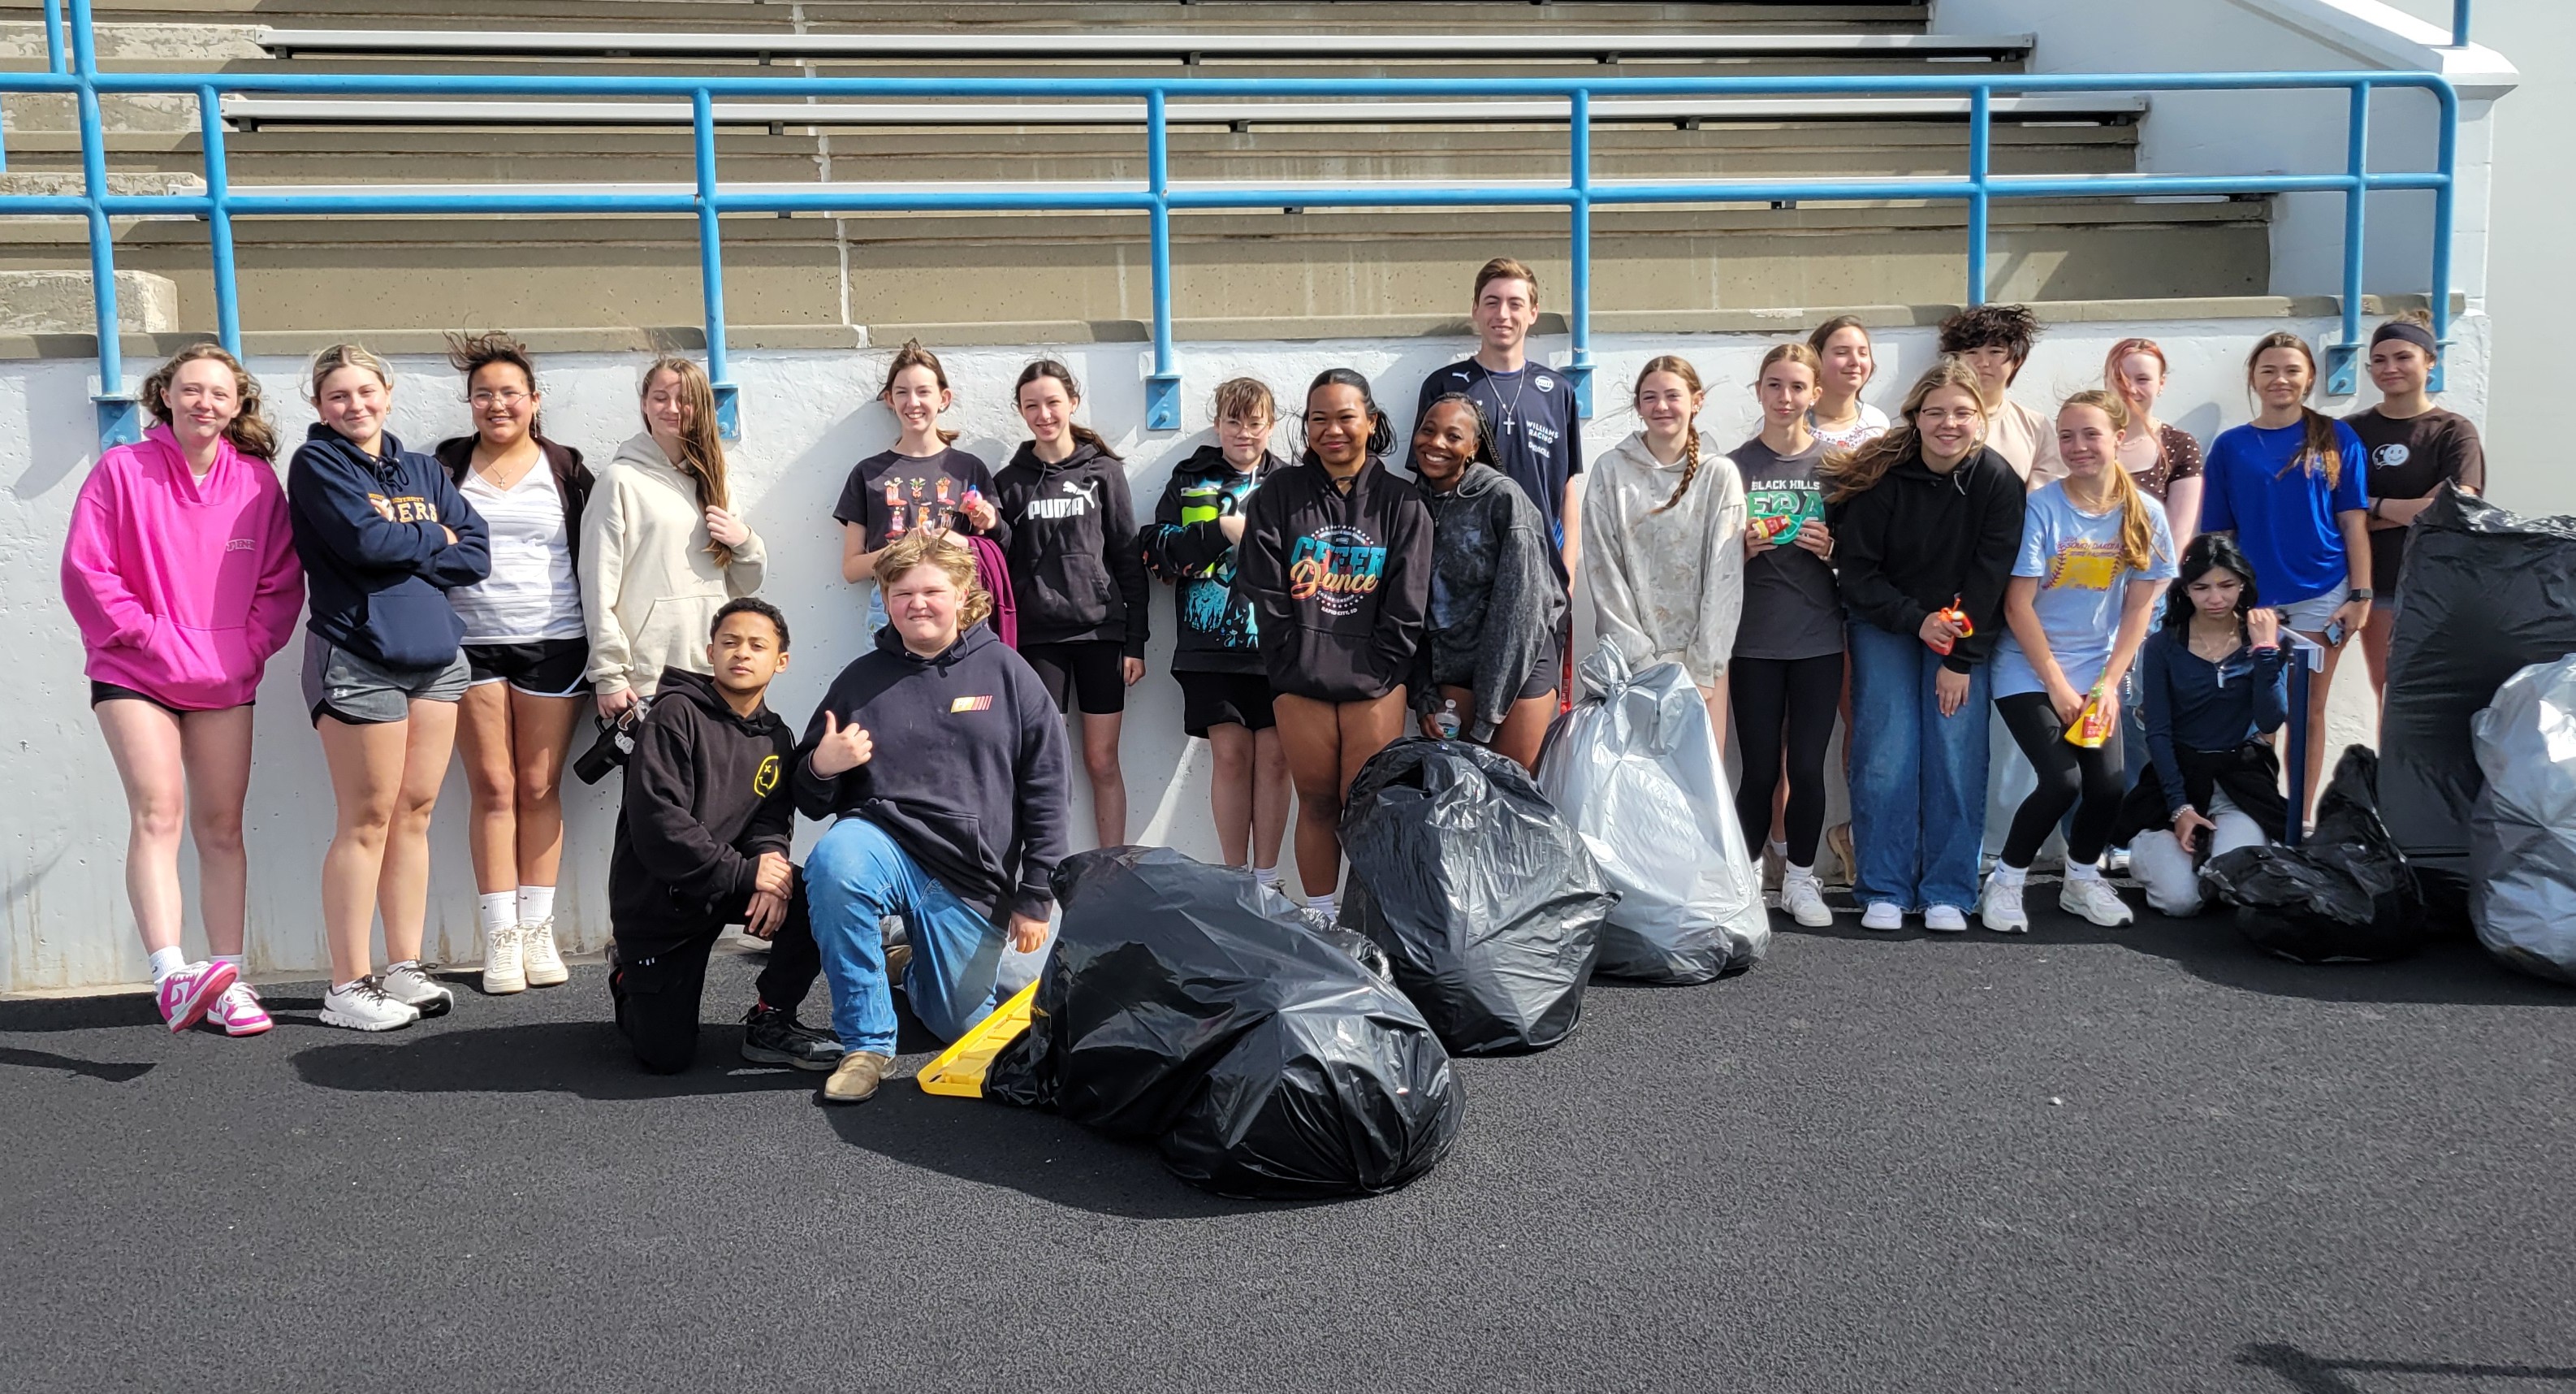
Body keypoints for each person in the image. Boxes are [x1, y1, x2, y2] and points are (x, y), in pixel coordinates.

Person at [61, 344, 300, 1034]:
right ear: (165, 395)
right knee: (158, 814)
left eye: (219, 393)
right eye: (191, 389)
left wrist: (243, 650)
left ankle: (227, 982)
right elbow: (88, 571)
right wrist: (151, 637)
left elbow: (280, 584)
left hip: (224, 676)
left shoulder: (257, 482)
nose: (205, 403)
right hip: (134, 671)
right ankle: (171, 975)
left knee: (221, 827)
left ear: (237, 404)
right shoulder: (121, 470)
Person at [794, 535, 1072, 1105]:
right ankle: (866, 1045)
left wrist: (1036, 894)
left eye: (932, 591)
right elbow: (809, 797)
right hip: (884, 845)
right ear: (886, 600)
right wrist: (822, 766)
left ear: (963, 594)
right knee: (834, 862)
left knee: (964, 1025)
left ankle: (908, 963)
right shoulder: (859, 681)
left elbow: (1048, 790)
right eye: (902, 593)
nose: (917, 604)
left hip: (971, 880)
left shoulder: (1009, 674)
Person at [289, 344, 491, 1031]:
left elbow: (477, 553)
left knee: (414, 812)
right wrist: (433, 535)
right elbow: (363, 544)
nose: (355, 405)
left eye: (365, 392)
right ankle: (347, 985)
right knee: (367, 818)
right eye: (339, 396)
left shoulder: (424, 470)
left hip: (435, 658)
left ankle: (404, 965)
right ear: (320, 406)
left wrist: (409, 539)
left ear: (388, 393)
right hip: (359, 657)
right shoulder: (316, 464)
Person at [1826, 356, 2025, 933]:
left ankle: (1948, 889)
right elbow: (1858, 573)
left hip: (1962, 633)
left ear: (1980, 417)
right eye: (1935, 412)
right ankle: (1884, 887)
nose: (1948, 424)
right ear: (1915, 417)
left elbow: (1991, 579)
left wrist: (1960, 659)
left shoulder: (1996, 481)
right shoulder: (1882, 478)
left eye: (1961, 412)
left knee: (1955, 755)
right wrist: (1916, 621)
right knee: (1886, 752)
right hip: (1887, 623)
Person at [606, 600, 841, 1075]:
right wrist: (748, 874)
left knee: (817, 895)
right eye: (730, 643)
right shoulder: (673, 715)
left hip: (727, 885)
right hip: (660, 902)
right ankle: (627, 977)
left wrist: (770, 872)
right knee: (666, 1058)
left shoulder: (777, 737)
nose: (742, 653)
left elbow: (770, 819)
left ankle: (772, 1018)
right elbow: (661, 824)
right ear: (711, 652)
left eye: (757, 645)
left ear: (781, 660)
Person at [1237, 368, 1433, 927]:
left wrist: (1380, 668)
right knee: (1318, 801)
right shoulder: (1279, 495)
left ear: (1371, 422)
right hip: (1301, 681)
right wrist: (1291, 656)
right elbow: (1262, 584)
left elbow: (1409, 599)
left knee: (1367, 805)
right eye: (1319, 419)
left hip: (1376, 683)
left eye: (1346, 417)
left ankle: (1369, 926)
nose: (1333, 430)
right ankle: (1322, 921)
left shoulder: (1402, 502)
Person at [1977, 391, 2178, 933]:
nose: (2078, 446)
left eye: (2091, 434)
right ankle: (2006, 880)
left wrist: (2108, 684)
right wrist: (2058, 686)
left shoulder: (2146, 514)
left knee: (2108, 787)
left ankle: (2081, 880)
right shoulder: (2041, 507)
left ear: (2118, 438)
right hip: (2028, 667)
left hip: (2097, 672)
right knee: (2061, 781)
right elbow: (2017, 605)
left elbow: (2139, 609)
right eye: (2066, 436)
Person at [434, 331, 590, 996]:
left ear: (534, 399)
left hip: (556, 640)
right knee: (493, 788)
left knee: (538, 786)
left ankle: (537, 930)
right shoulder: (443, 468)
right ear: (469, 402)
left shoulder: (566, 468)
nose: (497, 405)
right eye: (483, 394)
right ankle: (500, 936)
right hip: (469, 644)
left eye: (510, 393)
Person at [2198, 331, 2371, 818]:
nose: (2280, 379)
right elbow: (2220, 534)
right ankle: (2261, 818)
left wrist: (2360, 594)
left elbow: (2353, 523)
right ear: (2253, 378)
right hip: (2255, 601)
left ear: (2309, 378)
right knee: (2260, 713)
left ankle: (2300, 820)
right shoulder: (2231, 446)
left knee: (2308, 710)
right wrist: (2221, 598)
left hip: (2323, 592)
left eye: (2292, 370)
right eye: (2269, 370)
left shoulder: (2337, 437)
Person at [1139, 377, 1290, 884]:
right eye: (1233, 421)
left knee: (1276, 761)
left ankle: (1266, 880)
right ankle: (1234, 879)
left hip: (1278, 647)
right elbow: (1155, 549)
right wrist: (1219, 530)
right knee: (1229, 757)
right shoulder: (1189, 479)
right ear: (1217, 424)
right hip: (1208, 645)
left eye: (1255, 422)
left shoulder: (1291, 484)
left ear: (1271, 425)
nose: (1244, 432)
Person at [995, 359, 1148, 848]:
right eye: (1032, 406)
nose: (1043, 414)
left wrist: (1135, 642)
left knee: (1102, 761)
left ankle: (1113, 866)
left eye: (1053, 403)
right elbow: (1002, 561)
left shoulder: (1103, 472)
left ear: (1073, 403)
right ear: (1021, 411)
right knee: (1046, 764)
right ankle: (1046, 869)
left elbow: (1127, 558)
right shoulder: (1010, 482)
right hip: (1039, 640)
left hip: (1102, 634)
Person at [581, 357, 767, 721]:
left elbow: (743, 584)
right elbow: (597, 584)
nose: (672, 408)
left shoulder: (715, 481)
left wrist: (745, 541)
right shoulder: (619, 481)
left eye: (685, 399)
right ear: (644, 405)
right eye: (660, 397)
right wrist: (608, 673)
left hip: (715, 672)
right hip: (651, 677)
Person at [2116, 534, 2293, 916]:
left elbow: (2270, 719)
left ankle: (2226, 848)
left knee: (2231, 886)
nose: (2216, 598)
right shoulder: (2163, 646)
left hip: (2239, 782)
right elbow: (2158, 732)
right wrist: (2179, 809)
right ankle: (2146, 848)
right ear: (2186, 591)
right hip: (2178, 779)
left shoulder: (2261, 640)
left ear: (2243, 584)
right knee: (2181, 901)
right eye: (2202, 588)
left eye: (2227, 585)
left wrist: (2266, 651)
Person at [1727, 344, 1841, 930]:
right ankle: (1748, 877)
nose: (1785, 397)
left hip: (1819, 641)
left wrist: (1833, 550)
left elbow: (1866, 555)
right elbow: (1707, 563)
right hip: (1753, 642)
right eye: (1774, 385)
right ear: (1758, 391)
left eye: (1797, 386)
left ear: (1815, 393)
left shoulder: (1837, 468)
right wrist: (1739, 551)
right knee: (1759, 770)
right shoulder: (1732, 467)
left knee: (1807, 768)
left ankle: (1800, 878)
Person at [1584, 354, 1746, 746]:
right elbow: (1604, 570)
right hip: (1632, 669)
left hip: (1702, 670)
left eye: (1672, 396)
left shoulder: (1718, 474)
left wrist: (1703, 668)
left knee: (1700, 777)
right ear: (1638, 406)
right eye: (1650, 397)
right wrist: (1641, 662)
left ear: (1697, 401)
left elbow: (1725, 577)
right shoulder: (1610, 471)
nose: (1661, 406)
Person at [1409, 393, 1565, 772]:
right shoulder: (1410, 505)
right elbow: (1406, 608)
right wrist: (1422, 692)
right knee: (1463, 790)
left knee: (1509, 786)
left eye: (1453, 436)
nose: (1436, 443)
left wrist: (1487, 716)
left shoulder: (1502, 498)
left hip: (1519, 663)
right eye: (1428, 431)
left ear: (1474, 447)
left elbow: (1520, 610)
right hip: (1454, 664)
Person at [1412, 257, 1583, 583]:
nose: (1502, 314)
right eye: (1492, 302)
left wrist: (1568, 575)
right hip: (1462, 577)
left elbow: (1566, 490)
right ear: (1475, 310)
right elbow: (1424, 488)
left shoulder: (1558, 391)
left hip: (1542, 574)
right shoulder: (1444, 386)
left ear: (1533, 313)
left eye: (1515, 304)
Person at [2345, 310, 2484, 697]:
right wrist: (2409, 510)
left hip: (2434, 582)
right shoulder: (2351, 431)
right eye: (2379, 359)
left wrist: (2370, 506)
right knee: (2389, 690)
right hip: (2373, 582)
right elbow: (2334, 512)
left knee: (2425, 696)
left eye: (2403, 357)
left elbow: (2450, 510)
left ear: (2430, 361)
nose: (2390, 368)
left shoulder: (2454, 431)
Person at [833, 340, 1008, 635]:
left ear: (944, 398)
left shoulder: (969, 468)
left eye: (923, 391)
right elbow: (851, 569)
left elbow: (999, 549)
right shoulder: (868, 473)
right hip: (891, 607)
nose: (912, 402)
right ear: (889, 399)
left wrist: (986, 523)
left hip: (957, 604)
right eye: (902, 392)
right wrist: (905, 548)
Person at [1938, 303, 2062, 487]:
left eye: (1995, 352)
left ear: (2017, 361)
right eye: (1972, 352)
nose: (1983, 362)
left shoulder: (2035, 425)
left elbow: (2045, 492)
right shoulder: (1935, 419)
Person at [2105, 336, 2205, 539]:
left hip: (2155, 558)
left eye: (2142, 379)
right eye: (2120, 378)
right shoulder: (2083, 439)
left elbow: (2179, 533)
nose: (2130, 389)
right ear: (2106, 382)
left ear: (2161, 383)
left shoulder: (2180, 445)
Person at [1806, 315, 1891, 452]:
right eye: (1842, 353)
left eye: (1863, 353)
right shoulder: (1793, 421)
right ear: (1816, 358)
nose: (1855, 361)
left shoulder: (1876, 423)